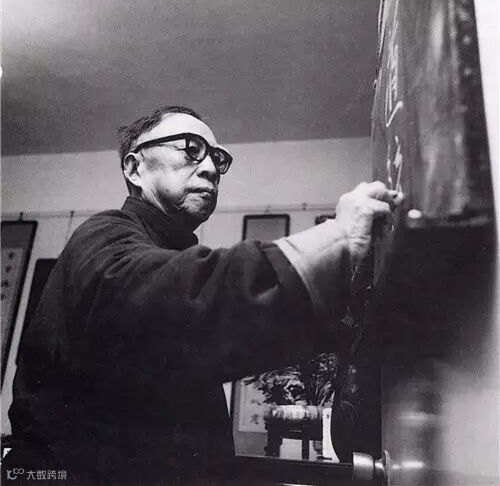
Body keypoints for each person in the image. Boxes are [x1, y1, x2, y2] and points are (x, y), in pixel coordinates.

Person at [5, 105, 399, 484]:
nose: (210, 168)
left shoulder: (169, 255)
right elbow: (176, 302)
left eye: (217, 158)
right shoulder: (104, 234)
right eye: (191, 149)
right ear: (134, 167)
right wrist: (337, 239)